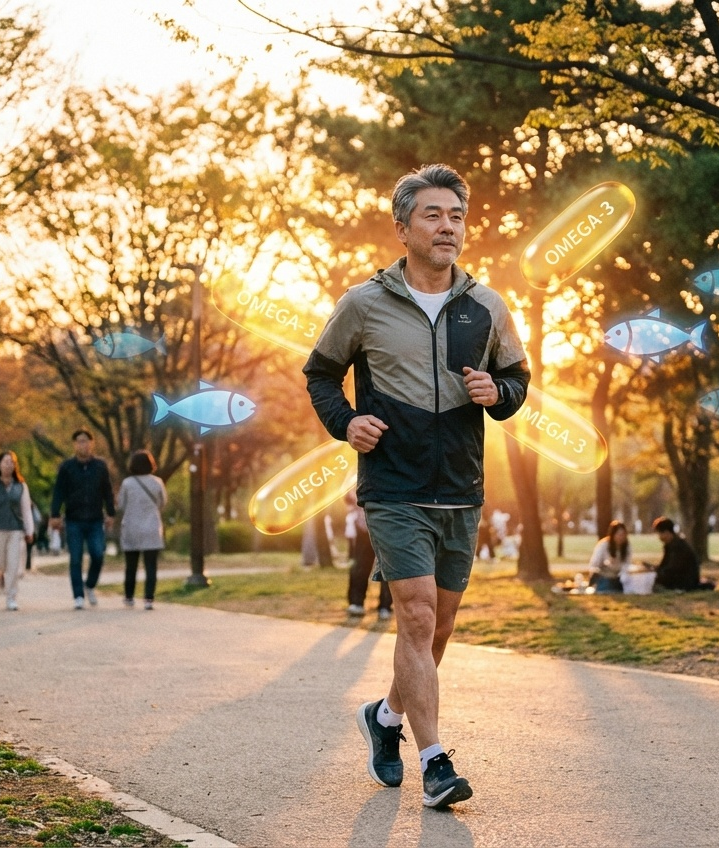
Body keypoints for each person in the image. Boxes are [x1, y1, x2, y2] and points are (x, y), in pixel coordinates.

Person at [304, 164, 530, 810]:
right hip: (394, 487)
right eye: (433, 215)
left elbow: (518, 381)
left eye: (456, 216)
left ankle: (383, 717)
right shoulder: (364, 303)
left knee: (435, 631)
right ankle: (434, 763)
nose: (447, 226)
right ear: (403, 227)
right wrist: (348, 423)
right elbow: (320, 374)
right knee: (418, 613)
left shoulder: (487, 306)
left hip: (462, 489)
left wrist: (499, 393)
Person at [49, 429, 115, 610]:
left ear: (91, 443)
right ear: (74, 444)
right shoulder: (66, 467)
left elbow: (107, 491)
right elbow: (58, 492)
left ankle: (90, 585)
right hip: (74, 519)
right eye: (78, 441)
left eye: (85, 441)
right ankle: (78, 595)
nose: (82, 444)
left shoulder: (100, 466)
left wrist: (110, 513)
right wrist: (54, 514)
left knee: (98, 554)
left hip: (95, 519)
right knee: (75, 557)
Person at [0, 451, 35, 611]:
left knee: (13, 565)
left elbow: (26, 509)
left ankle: (11, 596)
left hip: (15, 530)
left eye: (11, 462)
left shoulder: (21, 486)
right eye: (5, 462)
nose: (8, 464)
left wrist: (29, 530)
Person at [117, 449, 167, 610]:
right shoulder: (157, 482)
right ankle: (148, 599)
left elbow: (121, 504)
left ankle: (129, 597)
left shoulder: (127, 483)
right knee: (151, 566)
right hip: (152, 527)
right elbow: (163, 503)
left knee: (131, 565)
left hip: (131, 527)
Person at [343, 489, 393, 620]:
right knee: (360, 565)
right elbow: (347, 495)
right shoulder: (354, 473)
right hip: (364, 526)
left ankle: (385, 605)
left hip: (389, 527)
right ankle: (356, 602)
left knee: (389, 567)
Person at [650, 516, 715, 591]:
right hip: (680, 579)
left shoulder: (678, 546)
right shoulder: (670, 545)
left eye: (660, 533)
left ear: (667, 532)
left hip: (684, 582)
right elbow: (665, 566)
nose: (659, 537)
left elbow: (672, 569)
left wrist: (658, 574)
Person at [588, 520, 631, 594]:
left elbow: (627, 563)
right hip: (604, 576)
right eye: (619, 534)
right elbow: (593, 566)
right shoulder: (603, 545)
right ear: (613, 535)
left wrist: (623, 573)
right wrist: (606, 565)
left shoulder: (626, 546)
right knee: (608, 585)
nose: (621, 537)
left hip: (619, 577)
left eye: (623, 534)